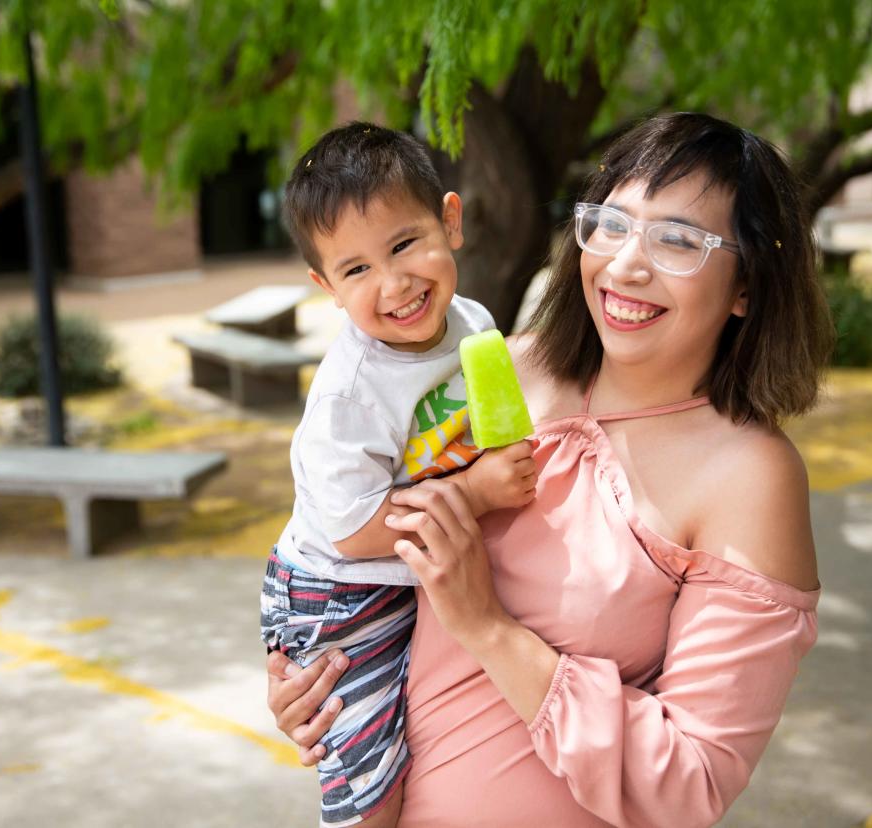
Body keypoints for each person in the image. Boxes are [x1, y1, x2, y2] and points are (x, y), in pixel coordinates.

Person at [266, 112, 835, 827]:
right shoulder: (503, 365)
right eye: (613, 224)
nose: (627, 263)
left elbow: (690, 784)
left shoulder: (750, 475)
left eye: (679, 241)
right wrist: (321, 673)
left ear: (747, 284)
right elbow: (369, 532)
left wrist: (491, 630)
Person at [261, 122, 538, 828]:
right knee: (370, 785)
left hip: (396, 573)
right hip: (337, 587)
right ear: (326, 286)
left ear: (450, 220)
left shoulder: (473, 325)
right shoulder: (350, 392)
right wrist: (473, 494)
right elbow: (353, 530)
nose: (394, 284)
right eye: (356, 270)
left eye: (404, 244)